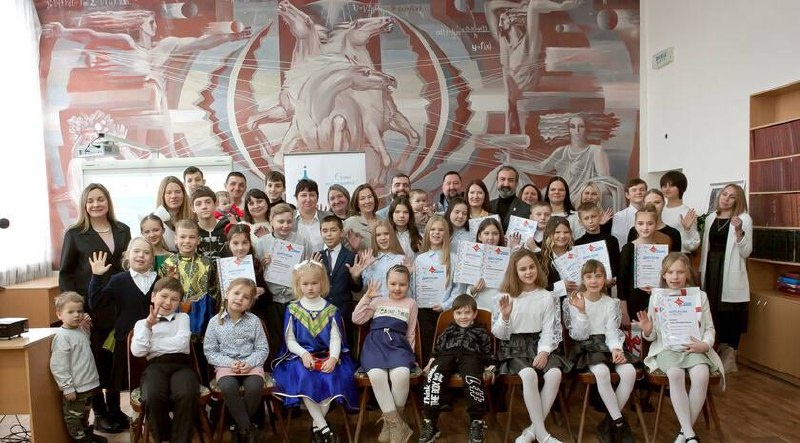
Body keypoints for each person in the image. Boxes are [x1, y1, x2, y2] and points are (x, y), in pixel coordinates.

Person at [59, 183, 131, 433]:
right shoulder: (75, 233)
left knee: (115, 361)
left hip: (118, 307)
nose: (96, 204)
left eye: (100, 199)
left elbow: (127, 266)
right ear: (84, 204)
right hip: (89, 310)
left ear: (108, 201)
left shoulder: (123, 229)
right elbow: (66, 274)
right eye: (90, 200)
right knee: (95, 362)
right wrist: (78, 312)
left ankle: (115, 408)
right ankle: (100, 413)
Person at [636, 253, 724, 443]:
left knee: (701, 375)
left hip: (694, 347)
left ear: (688, 274)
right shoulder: (656, 297)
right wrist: (647, 329)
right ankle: (690, 435)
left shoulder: (700, 296)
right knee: (675, 375)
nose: (675, 277)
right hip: (666, 349)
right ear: (664, 275)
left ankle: (684, 433)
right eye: (670, 272)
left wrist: (705, 344)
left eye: (680, 272)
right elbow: (652, 336)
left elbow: (709, 328)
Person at [272, 260, 358, 443]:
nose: (310, 288)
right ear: (298, 285)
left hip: (327, 356)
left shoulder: (331, 310)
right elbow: (290, 340)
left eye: (314, 283)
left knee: (331, 378)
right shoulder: (293, 309)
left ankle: (317, 427)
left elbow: (336, 338)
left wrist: (333, 358)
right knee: (304, 377)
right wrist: (303, 354)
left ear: (322, 283)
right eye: (305, 284)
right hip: (299, 358)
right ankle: (325, 429)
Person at [493, 249, 570, 443]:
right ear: (515, 272)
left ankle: (531, 432)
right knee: (529, 375)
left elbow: (549, 329)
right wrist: (505, 317)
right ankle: (543, 435)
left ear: (537, 268)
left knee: (555, 373)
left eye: (531, 267)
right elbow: (500, 334)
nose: (528, 272)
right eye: (523, 269)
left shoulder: (547, 296)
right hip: (514, 345)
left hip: (539, 343)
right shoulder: (505, 296)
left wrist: (544, 352)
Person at [563, 260, 637, 442]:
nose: (594, 281)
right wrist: (581, 312)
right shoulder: (574, 300)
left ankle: (609, 422)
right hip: (586, 346)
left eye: (598, 276)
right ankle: (619, 423)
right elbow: (579, 335)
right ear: (583, 279)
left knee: (629, 371)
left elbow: (612, 331)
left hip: (608, 344)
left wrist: (616, 349)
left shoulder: (611, 303)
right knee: (602, 372)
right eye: (589, 276)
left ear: (605, 279)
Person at [352, 266, 419, 443]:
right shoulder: (377, 301)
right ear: (387, 283)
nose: (397, 288)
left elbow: (411, 333)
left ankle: (390, 426)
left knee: (401, 374)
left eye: (402, 284)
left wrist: (410, 356)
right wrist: (367, 297)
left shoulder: (411, 303)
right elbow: (356, 319)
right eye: (393, 283)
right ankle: (398, 427)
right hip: (375, 346)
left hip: (398, 346)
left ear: (408, 285)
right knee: (377, 375)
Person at [130, 277, 198, 443]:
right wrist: (148, 327)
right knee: (152, 396)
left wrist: (152, 345)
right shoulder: (141, 324)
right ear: (153, 296)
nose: (168, 302)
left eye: (174, 299)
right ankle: (164, 436)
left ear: (179, 303)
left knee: (187, 393)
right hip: (155, 367)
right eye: (164, 296)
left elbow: (181, 345)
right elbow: (138, 351)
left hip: (181, 366)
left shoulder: (182, 318)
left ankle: (180, 439)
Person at [88, 237, 156, 403]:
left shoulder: (158, 280)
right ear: (127, 255)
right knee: (122, 380)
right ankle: (118, 413)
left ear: (152, 258)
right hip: (125, 339)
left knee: (152, 381)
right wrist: (96, 276)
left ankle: (149, 412)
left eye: (146, 252)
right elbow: (96, 302)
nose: (141, 255)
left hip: (154, 339)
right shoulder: (118, 280)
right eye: (136, 251)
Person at [419, 294, 494, 443]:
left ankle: (476, 422)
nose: (463, 317)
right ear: (453, 314)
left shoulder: (481, 331)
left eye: (467, 313)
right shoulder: (449, 330)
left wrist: (491, 366)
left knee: (473, 380)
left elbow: (488, 350)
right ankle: (431, 422)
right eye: (459, 313)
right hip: (447, 355)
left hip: (471, 356)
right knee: (434, 377)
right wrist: (430, 363)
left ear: (474, 314)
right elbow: (437, 349)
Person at [204, 278, 270, 442]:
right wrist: (229, 363)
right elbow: (210, 352)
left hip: (251, 364)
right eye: (236, 293)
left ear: (250, 303)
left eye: (246, 297)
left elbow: (262, 348)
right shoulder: (214, 322)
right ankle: (248, 429)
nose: (240, 298)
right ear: (227, 294)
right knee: (228, 386)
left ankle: (238, 428)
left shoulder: (254, 321)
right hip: (226, 366)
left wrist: (250, 362)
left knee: (254, 386)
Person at [699, 183, 752, 367]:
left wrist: (738, 231)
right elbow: (704, 247)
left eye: (732, 197)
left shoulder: (743, 219)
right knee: (713, 314)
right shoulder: (711, 218)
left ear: (738, 201)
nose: (726, 199)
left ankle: (730, 357)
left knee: (730, 314)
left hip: (729, 271)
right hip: (711, 271)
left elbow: (746, 251)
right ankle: (715, 354)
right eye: (724, 194)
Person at [50, 291, 108, 443]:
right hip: (76, 388)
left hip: (88, 385)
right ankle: (81, 439)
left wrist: (86, 326)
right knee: (74, 417)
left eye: (79, 311)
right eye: (70, 312)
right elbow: (58, 365)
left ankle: (87, 433)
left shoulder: (79, 330)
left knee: (85, 414)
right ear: (59, 315)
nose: (76, 315)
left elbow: (83, 343)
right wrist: (67, 387)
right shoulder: (62, 337)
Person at [253, 203, 312, 334]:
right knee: (275, 336)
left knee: (295, 335)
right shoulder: (261, 243)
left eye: (289, 221)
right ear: (271, 221)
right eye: (281, 221)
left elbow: (309, 270)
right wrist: (262, 265)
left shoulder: (303, 242)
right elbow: (255, 274)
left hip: (295, 299)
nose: (285, 225)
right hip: (271, 300)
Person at [158, 219, 217, 336]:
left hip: (201, 316)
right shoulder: (168, 264)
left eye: (192, 237)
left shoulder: (207, 263)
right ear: (175, 239)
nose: (187, 241)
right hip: (173, 314)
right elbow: (160, 292)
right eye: (182, 237)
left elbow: (214, 292)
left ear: (198, 240)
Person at [618, 205, 672, 327]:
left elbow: (666, 277)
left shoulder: (661, 249)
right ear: (635, 225)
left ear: (656, 225)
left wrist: (657, 288)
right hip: (633, 302)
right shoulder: (628, 249)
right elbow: (622, 282)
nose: (645, 227)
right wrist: (624, 311)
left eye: (650, 223)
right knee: (636, 337)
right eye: (640, 223)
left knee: (656, 332)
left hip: (656, 300)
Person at [318, 215, 367, 347]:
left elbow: (356, 288)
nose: (329, 234)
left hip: (344, 311)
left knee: (345, 346)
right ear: (320, 233)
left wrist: (355, 277)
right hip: (321, 310)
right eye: (325, 230)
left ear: (341, 233)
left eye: (333, 230)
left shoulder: (351, 256)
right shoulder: (317, 256)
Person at [414, 215, 456, 364]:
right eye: (432, 229)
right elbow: (415, 287)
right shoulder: (420, 259)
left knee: (444, 348)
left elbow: (458, 289)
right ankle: (426, 373)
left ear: (446, 233)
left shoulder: (454, 258)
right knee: (426, 346)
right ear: (427, 232)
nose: (436, 233)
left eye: (440, 230)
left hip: (446, 311)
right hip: (424, 311)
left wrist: (445, 305)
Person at [221, 224, 272, 348]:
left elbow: (268, 298)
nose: (240, 247)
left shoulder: (255, 264)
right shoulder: (223, 265)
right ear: (229, 244)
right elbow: (220, 298)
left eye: (245, 243)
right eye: (235, 243)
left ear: (250, 244)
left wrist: (261, 291)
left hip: (254, 317)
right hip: (230, 319)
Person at [465, 218, 508, 311]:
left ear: (500, 236)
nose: (491, 237)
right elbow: (465, 290)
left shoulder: (508, 257)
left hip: (502, 309)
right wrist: (473, 290)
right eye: (486, 233)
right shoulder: (470, 258)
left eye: (495, 234)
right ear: (479, 236)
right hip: (479, 309)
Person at [361, 220, 408, 298]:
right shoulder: (370, 260)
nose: (383, 238)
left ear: (392, 235)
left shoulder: (401, 259)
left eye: (386, 234)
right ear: (374, 238)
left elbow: (407, 288)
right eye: (378, 235)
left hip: (396, 303)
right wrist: (367, 267)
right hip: (375, 303)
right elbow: (365, 287)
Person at [574, 203, 620, 280]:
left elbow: (616, 265)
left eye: (593, 216)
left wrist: (607, 279)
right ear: (580, 222)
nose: (590, 221)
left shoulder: (611, 240)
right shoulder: (577, 244)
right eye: (586, 218)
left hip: (608, 283)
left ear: (600, 216)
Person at [660, 171, 700, 254]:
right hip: (660, 255)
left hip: (680, 256)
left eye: (671, 186)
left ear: (681, 187)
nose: (667, 189)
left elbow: (693, 245)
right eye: (664, 186)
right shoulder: (660, 210)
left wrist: (687, 230)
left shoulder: (687, 212)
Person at [536, 217, 577, 293]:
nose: (562, 236)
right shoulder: (538, 258)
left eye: (566, 232)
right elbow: (535, 285)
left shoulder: (578, 253)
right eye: (557, 232)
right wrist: (559, 286)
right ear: (549, 233)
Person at [192, 186, 230, 260]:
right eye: (198, 204)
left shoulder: (228, 227)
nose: (204, 207)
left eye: (208, 202)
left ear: (215, 204)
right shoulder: (191, 231)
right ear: (193, 208)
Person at [488, 165, 531, 231]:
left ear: (516, 183)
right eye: (502, 179)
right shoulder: (488, 206)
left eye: (511, 180)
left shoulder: (527, 209)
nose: (506, 184)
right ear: (497, 182)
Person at [154, 176, 192, 250]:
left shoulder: (193, 218)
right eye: (168, 192)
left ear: (184, 194)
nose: (173, 196)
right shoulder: (154, 220)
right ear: (162, 196)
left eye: (177, 192)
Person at [294, 179, 330, 252]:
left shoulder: (329, 217)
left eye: (312, 195)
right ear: (296, 198)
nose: (308, 199)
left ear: (317, 197)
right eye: (303, 195)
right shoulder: (289, 219)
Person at [611, 178, 647, 251]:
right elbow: (619, 240)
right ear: (627, 195)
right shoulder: (619, 216)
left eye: (642, 190)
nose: (638, 192)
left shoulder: (652, 213)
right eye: (634, 190)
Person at [344, 183, 381, 251]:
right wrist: (354, 249)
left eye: (370, 197)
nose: (367, 201)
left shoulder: (383, 221)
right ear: (357, 203)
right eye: (362, 199)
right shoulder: (350, 223)